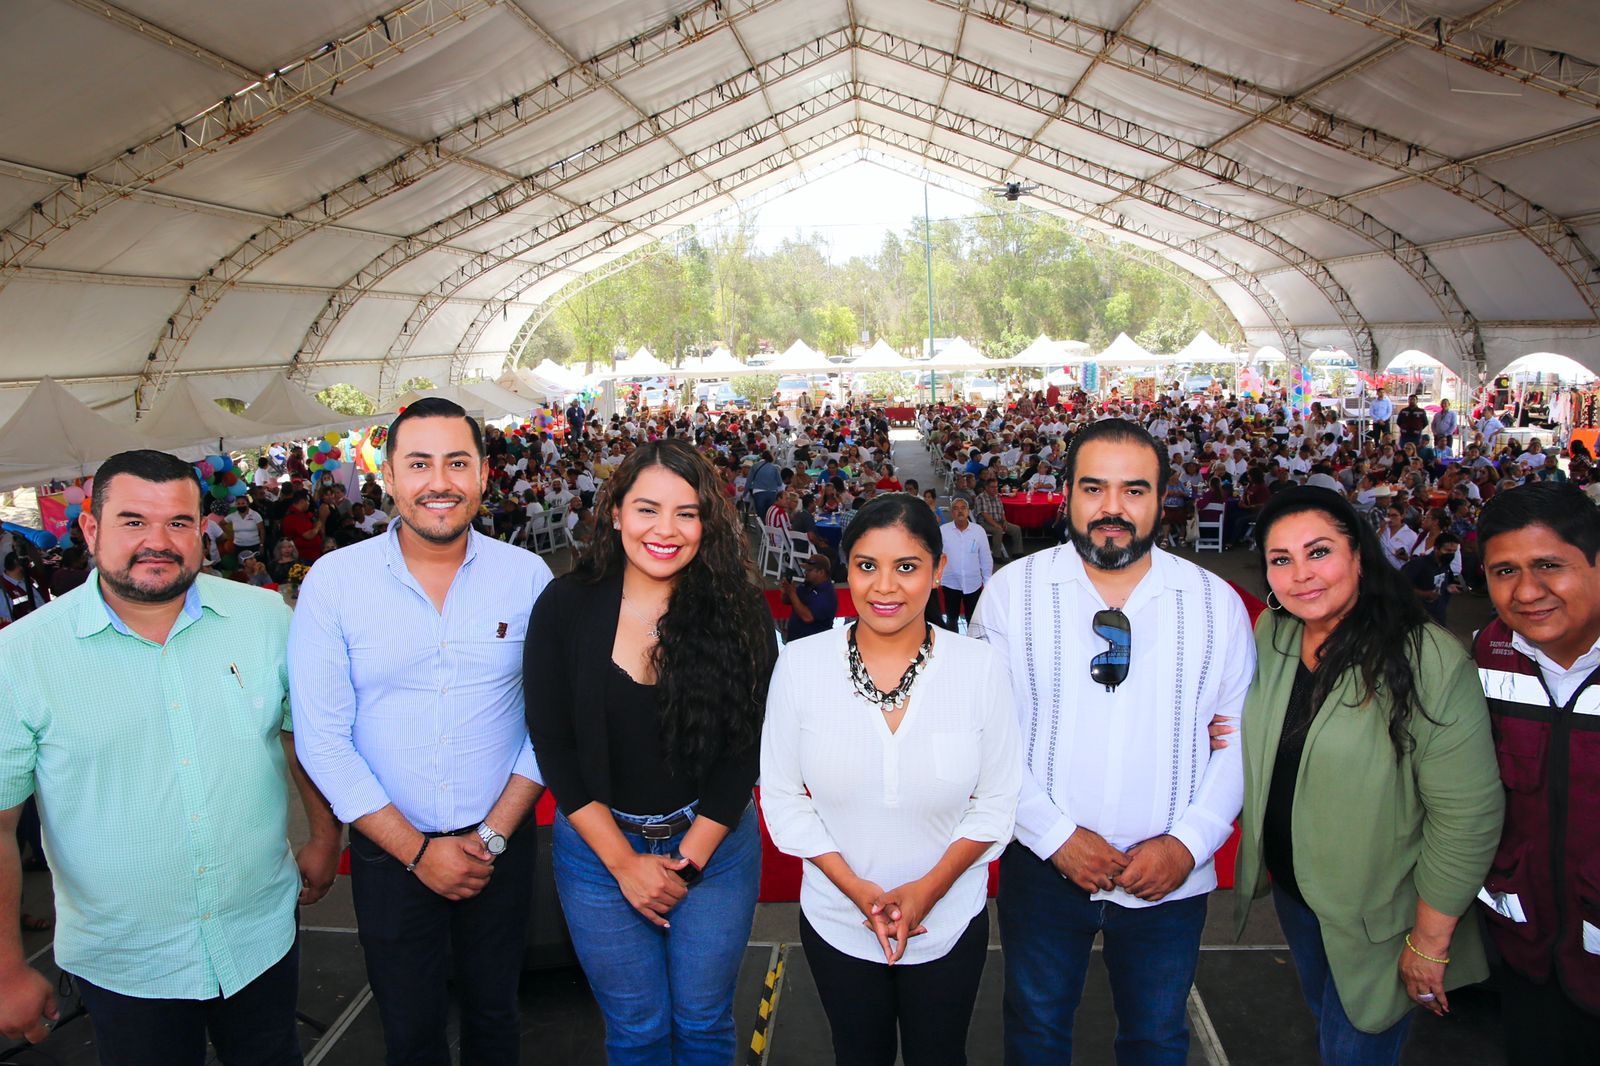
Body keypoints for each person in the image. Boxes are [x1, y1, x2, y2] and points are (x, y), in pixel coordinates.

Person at [0, 449, 341, 1062]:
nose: (157, 541)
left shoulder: (264, 618)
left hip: (260, 933)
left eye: (178, 523)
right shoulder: (21, 657)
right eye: (134, 521)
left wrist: (324, 834)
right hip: (126, 960)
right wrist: (4, 971)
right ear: (89, 528)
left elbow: (300, 734)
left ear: (201, 530)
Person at [971, 418, 1253, 1065]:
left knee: (1155, 1038)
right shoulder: (1011, 595)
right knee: (1036, 1032)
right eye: (1094, 488)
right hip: (1042, 871)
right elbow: (985, 736)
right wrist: (1055, 837)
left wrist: (1186, 844)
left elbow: (1239, 742)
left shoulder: (1216, 603)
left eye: (1134, 490)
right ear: (1065, 492)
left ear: (1161, 499)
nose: (1112, 510)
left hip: (1170, 881)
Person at [290, 398, 553, 1066]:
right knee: (409, 1032)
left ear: (485, 474)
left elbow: (548, 724)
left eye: (457, 462)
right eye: (420, 464)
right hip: (388, 854)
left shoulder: (527, 578)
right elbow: (322, 738)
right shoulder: (335, 582)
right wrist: (414, 852)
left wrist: (491, 836)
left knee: (497, 1017)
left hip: (501, 845)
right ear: (390, 476)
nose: (440, 481)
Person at [1221, 487, 1503, 1064]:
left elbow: (1467, 814)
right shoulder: (1276, 636)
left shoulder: (1427, 658)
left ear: (1358, 554)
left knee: (1355, 1045)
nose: (1301, 575)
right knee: (1329, 1017)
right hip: (1299, 898)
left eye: (1318, 551)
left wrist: (1429, 942)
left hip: (1382, 917)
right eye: (1281, 560)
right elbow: (1262, 725)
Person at [525, 439, 776, 1065]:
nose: (666, 530)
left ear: (706, 523)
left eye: (686, 513)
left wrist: (685, 864)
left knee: (703, 1023)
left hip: (713, 850)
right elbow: (553, 743)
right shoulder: (565, 605)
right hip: (597, 854)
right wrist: (624, 864)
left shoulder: (739, 607)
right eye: (647, 509)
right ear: (614, 513)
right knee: (635, 1029)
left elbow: (748, 749)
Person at [761, 494, 1020, 1066]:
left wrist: (929, 890)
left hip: (949, 921)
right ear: (846, 567)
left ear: (938, 572)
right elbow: (781, 798)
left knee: (940, 1054)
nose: (884, 586)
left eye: (906, 567)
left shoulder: (979, 669)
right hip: (837, 921)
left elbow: (999, 798)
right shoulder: (801, 667)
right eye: (866, 565)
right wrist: (857, 891)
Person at [1472, 483, 1600, 1064]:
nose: (1526, 592)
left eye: (1550, 566)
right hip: (1527, 957)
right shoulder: (1482, 658)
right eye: (1505, 571)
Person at [937, 497, 991, 633]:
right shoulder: (943, 531)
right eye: (955, 508)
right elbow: (936, 557)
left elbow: (985, 558)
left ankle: (973, 646)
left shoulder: (978, 531)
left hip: (973, 583)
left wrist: (988, 582)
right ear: (951, 512)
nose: (959, 511)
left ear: (968, 511)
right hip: (950, 583)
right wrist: (936, 578)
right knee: (951, 619)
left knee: (973, 620)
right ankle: (953, 648)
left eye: (963, 508)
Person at [780, 553, 837, 642]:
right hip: (794, 642)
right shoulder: (807, 585)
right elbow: (787, 601)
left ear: (821, 572)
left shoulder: (827, 595)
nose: (805, 573)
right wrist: (785, 591)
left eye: (809, 570)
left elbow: (807, 617)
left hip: (814, 646)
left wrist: (792, 593)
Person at [972, 476, 1022, 561]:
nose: (995, 489)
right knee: (997, 530)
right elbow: (985, 515)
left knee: (1016, 529)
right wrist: (996, 525)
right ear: (986, 487)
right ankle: (996, 556)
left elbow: (1002, 512)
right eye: (992, 487)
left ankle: (1017, 552)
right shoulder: (981, 498)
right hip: (984, 523)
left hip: (998, 521)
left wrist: (1005, 521)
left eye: (996, 486)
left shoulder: (997, 496)